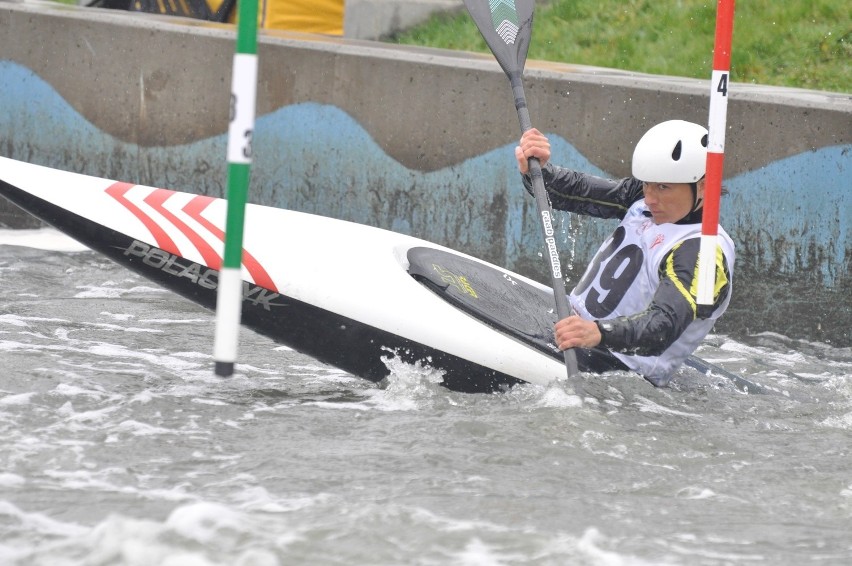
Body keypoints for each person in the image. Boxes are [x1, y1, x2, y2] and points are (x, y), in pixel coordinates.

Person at [515, 120, 735, 387]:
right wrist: (537, 170)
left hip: (620, 372)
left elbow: (662, 326)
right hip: (578, 334)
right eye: (647, 184)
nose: (650, 197)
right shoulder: (644, 198)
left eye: (663, 187)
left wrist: (599, 332)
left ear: (703, 186)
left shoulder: (701, 253)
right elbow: (571, 193)